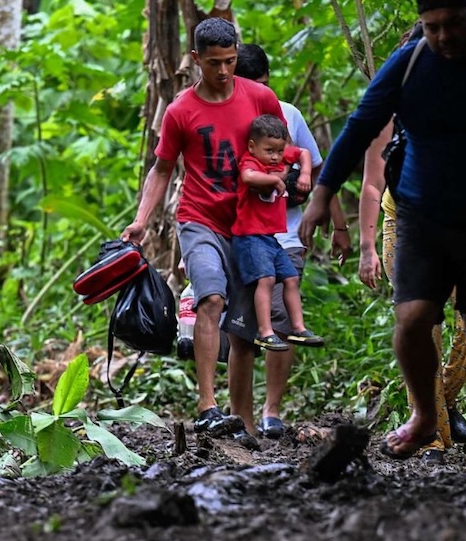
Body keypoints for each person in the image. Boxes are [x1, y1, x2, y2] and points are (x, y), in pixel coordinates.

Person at [300, 0, 466, 480]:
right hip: (420, 216)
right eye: (432, 27)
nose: (443, 36)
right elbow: (360, 126)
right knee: (412, 320)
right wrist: (322, 194)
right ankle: (423, 414)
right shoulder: (410, 62)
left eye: (452, 23)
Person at [121, 18, 286, 442]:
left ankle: (242, 421)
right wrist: (141, 220)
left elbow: (280, 150)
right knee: (211, 298)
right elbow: (161, 169)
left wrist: (295, 177)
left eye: (231, 61)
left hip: (249, 226)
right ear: (196, 60)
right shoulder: (181, 111)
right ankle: (207, 407)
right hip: (199, 219)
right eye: (214, 63)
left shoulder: (261, 98)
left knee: (244, 328)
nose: (225, 71)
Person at [232, 43, 350, 439]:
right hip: (242, 234)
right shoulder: (227, 120)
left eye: (262, 86)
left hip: (285, 234)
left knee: (282, 322)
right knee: (243, 326)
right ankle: (241, 415)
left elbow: (318, 171)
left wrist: (340, 226)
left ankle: (272, 410)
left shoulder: (289, 115)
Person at [360, 121, 466, 464]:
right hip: (406, 225)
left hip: (464, 225)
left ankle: (445, 400)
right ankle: (431, 438)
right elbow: (371, 183)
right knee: (424, 331)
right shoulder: (392, 110)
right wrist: (367, 247)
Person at [233, 114, 323, 352]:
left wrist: (304, 174)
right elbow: (247, 176)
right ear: (253, 146)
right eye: (269, 150)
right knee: (267, 279)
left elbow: (303, 153)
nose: (275, 156)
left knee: (290, 278)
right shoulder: (251, 161)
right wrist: (276, 179)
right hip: (250, 236)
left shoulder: (280, 155)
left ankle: (298, 327)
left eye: (279, 151)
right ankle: (265, 331)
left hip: (271, 238)